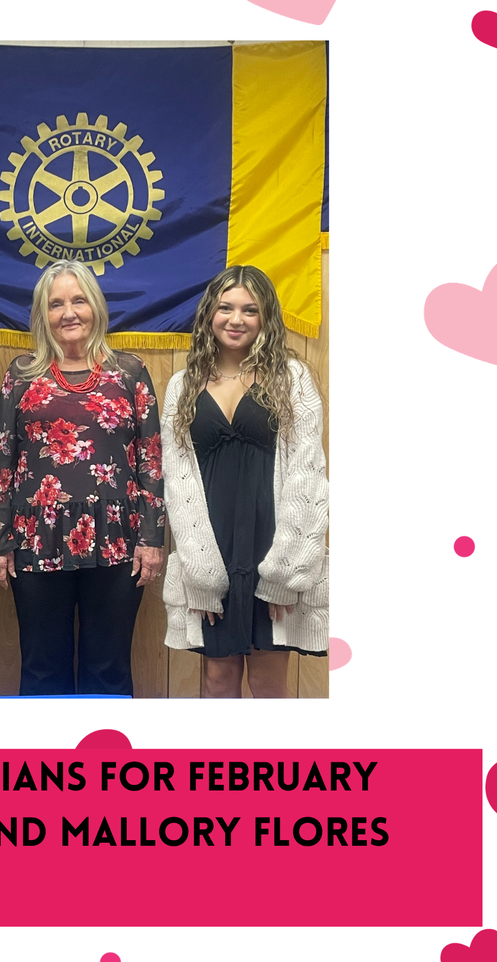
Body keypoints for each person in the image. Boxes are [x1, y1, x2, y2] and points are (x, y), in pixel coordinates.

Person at [0, 260, 166, 696]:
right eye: (56, 304)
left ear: (96, 307)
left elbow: (151, 461)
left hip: (118, 540)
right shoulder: (22, 374)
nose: (69, 312)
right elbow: (2, 458)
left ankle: (107, 761)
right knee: (43, 667)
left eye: (78, 300)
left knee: (109, 668)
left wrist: (152, 538)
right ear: (42, 315)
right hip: (36, 539)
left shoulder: (130, 372)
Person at [161, 265, 328, 698]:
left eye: (250, 310)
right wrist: (199, 572)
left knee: (268, 681)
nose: (236, 319)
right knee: (218, 681)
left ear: (266, 318)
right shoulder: (183, 386)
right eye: (226, 307)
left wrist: (285, 573)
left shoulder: (291, 379)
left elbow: (308, 475)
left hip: (271, 545)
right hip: (211, 547)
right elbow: (176, 480)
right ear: (209, 315)